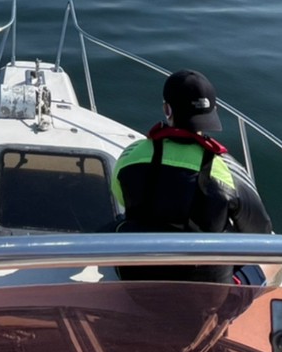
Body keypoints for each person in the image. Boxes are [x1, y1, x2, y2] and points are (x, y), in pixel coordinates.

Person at [111, 69, 271, 284]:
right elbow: (259, 233)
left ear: (167, 110)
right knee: (272, 261)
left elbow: (121, 199)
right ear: (213, 111)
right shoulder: (227, 170)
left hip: (139, 289)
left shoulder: (130, 157)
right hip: (207, 301)